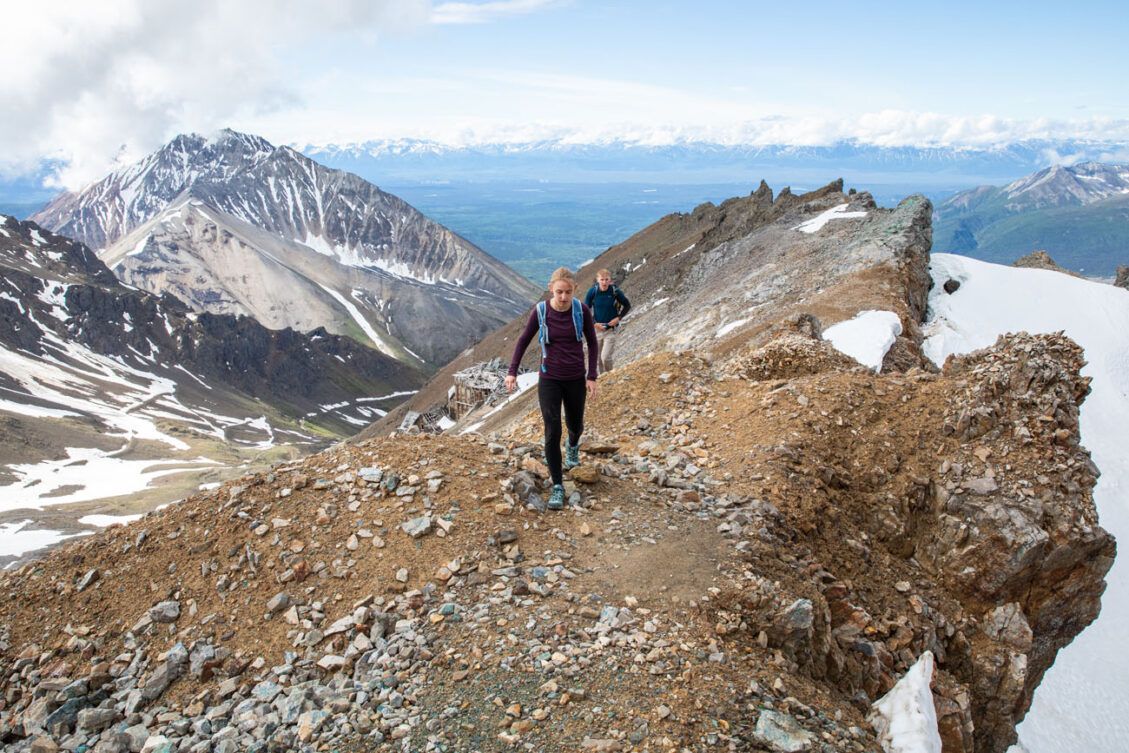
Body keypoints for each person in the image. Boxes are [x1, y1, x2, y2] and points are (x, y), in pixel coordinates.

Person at [505, 267, 598, 510]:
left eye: (568, 292)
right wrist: (512, 371)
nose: (564, 297)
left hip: (576, 377)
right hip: (549, 379)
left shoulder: (582, 310)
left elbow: (592, 341)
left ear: (574, 290)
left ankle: (573, 445)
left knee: (575, 425)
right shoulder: (541, 311)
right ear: (551, 289)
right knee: (552, 430)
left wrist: (592, 376)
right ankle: (557, 485)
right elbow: (524, 339)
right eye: (559, 292)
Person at [583, 268, 631, 374]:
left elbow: (627, 305)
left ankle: (611, 375)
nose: (604, 282)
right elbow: (585, 310)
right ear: (597, 280)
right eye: (602, 280)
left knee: (605, 357)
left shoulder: (615, 291)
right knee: (598, 359)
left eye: (606, 279)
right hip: (597, 330)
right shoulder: (593, 292)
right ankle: (602, 379)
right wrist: (594, 323)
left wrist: (618, 318)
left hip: (611, 329)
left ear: (610, 280)